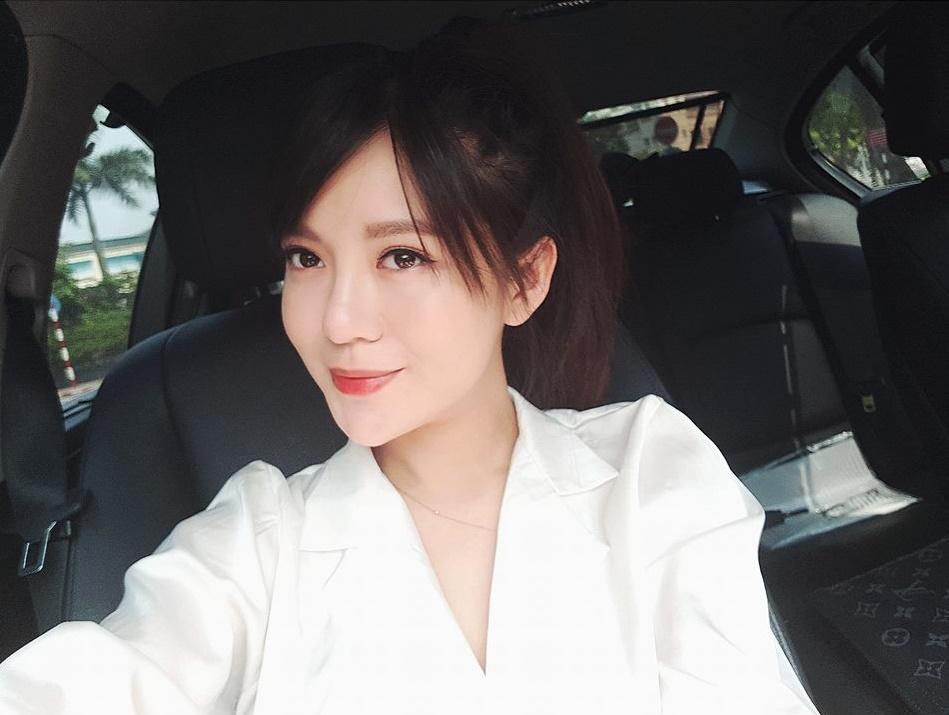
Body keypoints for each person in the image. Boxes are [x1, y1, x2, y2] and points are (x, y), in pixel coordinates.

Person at [0, 17, 819, 715]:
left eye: (402, 255)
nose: (337, 321)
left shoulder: (647, 468)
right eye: (306, 258)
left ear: (523, 280)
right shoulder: (254, 538)